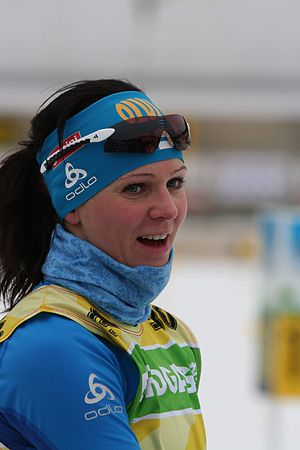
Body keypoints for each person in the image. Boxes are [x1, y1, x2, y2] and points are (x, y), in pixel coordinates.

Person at [0, 79, 206, 449]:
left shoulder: (170, 336)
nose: (168, 209)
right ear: (72, 205)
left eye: (175, 183)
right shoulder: (53, 344)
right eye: (135, 188)